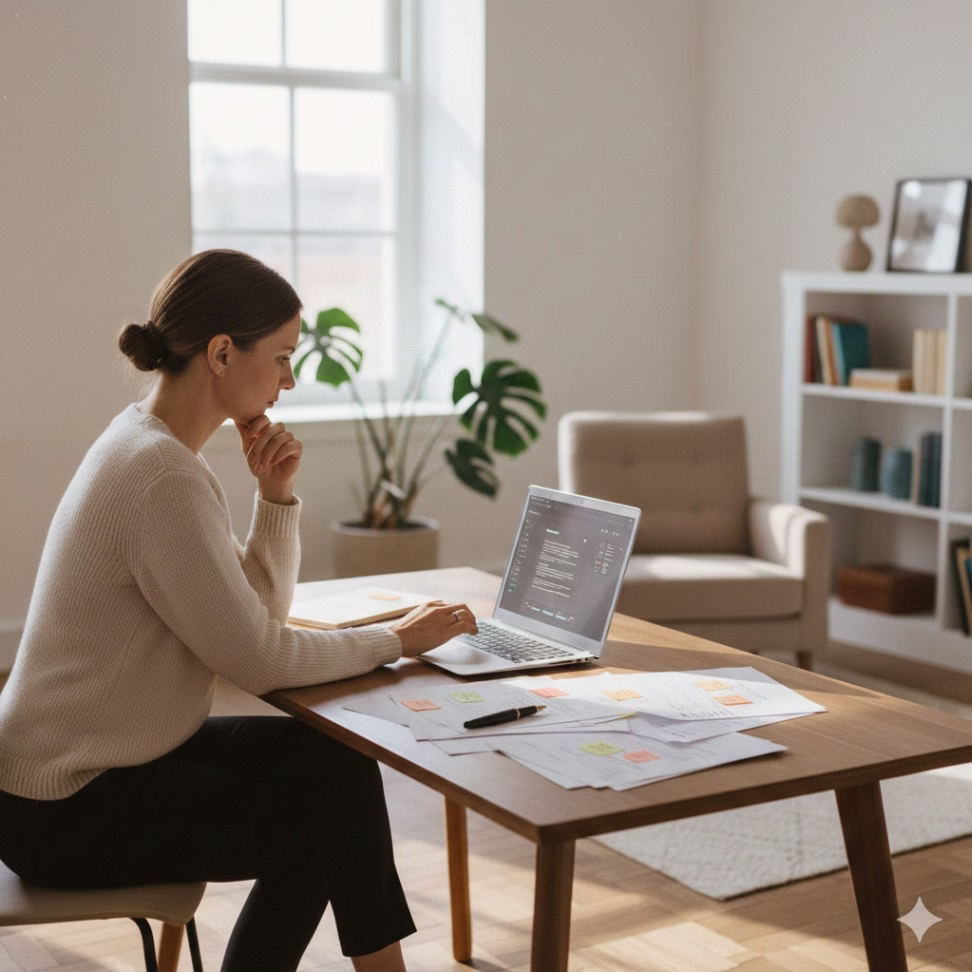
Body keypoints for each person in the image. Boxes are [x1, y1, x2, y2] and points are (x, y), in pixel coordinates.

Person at [0, 249, 479, 972]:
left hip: (101, 760)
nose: (290, 378)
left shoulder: (151, 448)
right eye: (283, 357)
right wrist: (398, 640)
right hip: (64, 806)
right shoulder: (161, 477)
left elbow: (252, 615)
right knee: (321, 826)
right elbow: (260, 658)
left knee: (338, 766)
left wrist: (276, 497)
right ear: (223, 352)